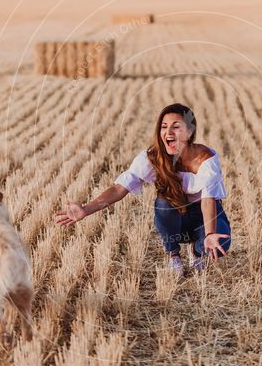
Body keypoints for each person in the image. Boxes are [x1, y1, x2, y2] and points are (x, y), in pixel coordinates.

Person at [54, 102, 231, 275]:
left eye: (176, 127)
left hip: (204, 214)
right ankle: (173, 254)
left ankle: (197, 251)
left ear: (190, 132)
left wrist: (209, 234)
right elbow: (118, 189)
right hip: (174, 214)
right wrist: (85, 210)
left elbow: (208, 200)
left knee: (219, 243)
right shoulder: (151, 158)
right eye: (164, 126)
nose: (168, 132)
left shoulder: (206, 158)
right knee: (163, 202)